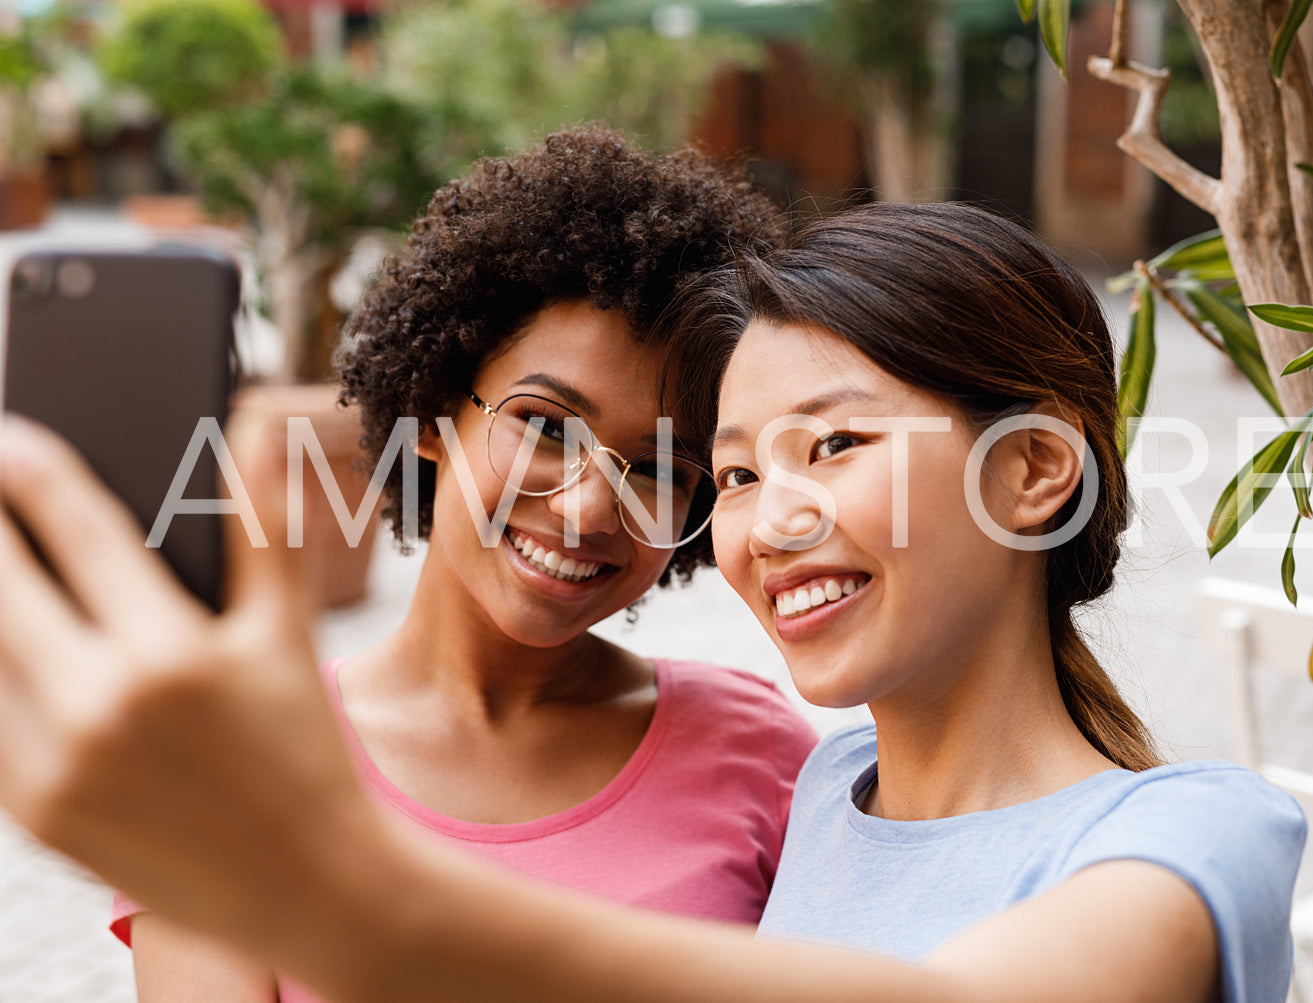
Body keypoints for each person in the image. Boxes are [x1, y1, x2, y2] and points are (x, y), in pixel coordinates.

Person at [0, 201, 1304, 1003]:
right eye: (732, 473)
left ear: (1030, 470)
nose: (764, 517)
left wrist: (353, 902)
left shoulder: (1202, 830)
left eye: (832, 444)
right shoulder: (827, 799)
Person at [110, 125, 818, 1002]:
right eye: (546, 427)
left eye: (660, 467)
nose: (588, 506)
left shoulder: (761, 756)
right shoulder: (230, 764)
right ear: (438, 407)